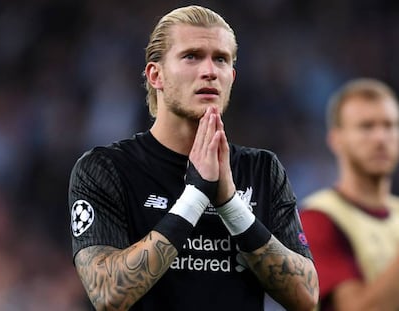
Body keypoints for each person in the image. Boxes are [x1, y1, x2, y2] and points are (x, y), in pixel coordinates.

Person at [68, 5, 318, 311]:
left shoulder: (262, 170)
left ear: (231, 77)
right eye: (192, 56)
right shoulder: (105, 169)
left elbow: (307, 297)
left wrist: (230, 205)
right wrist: (196, 196)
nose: (209, 70)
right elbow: (108, 294)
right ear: (155, 74)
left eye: (221, 59)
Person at [300, 78, 399, 311]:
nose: (380, 138)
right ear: (336, 140)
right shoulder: (317, 219)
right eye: (366, 127)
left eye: (389, 126)